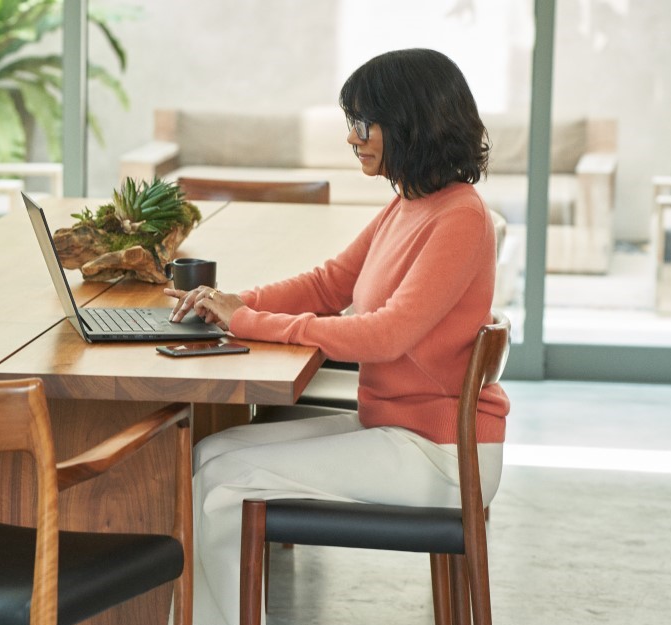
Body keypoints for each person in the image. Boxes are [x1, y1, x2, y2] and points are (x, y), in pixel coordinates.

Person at [164, 48, 510, 625]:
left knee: (224, 482)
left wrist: (246, 322)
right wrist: (231, 303)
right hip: (395, 429)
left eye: (362, 122)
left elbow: (385, 335)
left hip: (439, 455)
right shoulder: (411, 204)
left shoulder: (460, 218)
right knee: (206, 454)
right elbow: (329, 284)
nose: (352, 138)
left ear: (409, 123)